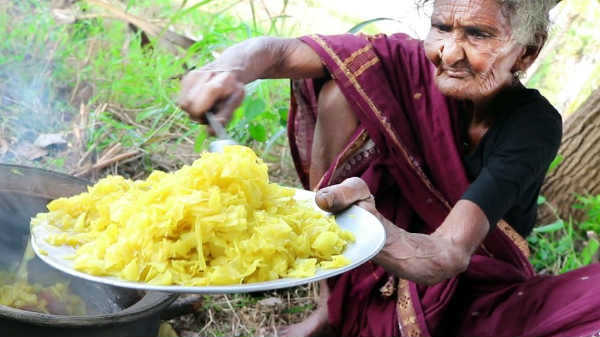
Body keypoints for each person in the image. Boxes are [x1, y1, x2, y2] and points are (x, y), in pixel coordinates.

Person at [178, 0, 600, 336]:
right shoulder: (404, 61)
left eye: (478, 34)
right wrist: (225, 70)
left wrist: (370, 226)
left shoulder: (533, 124)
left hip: (471, 275)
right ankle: (332, 306)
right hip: (392, 234)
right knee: (342, 91)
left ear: (527, 51)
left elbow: (448, 254)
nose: (448, 53)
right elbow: (283, 51)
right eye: (441, 28)